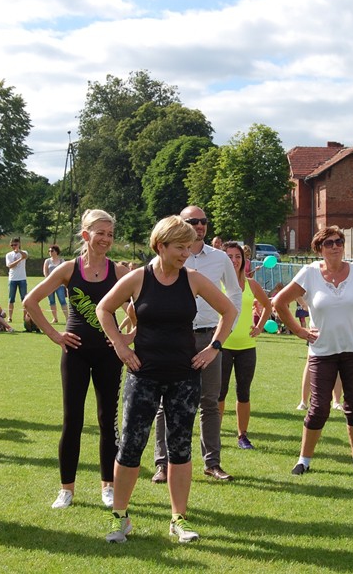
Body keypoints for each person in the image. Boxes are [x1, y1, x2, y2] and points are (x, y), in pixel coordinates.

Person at [96, 215, 236, 544]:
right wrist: (120, 345)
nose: (186, 253)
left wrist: (214, 348)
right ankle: (120, 520)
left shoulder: (194, 279)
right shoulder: (137, 279)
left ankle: (177, 520)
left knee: (180, 450)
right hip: (143, 377)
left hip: (183, 378)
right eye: (180, 247)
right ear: (160, 245)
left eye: (189, 247)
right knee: (130, 447)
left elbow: (229, 310)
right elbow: (104, 308)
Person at [24, 210, 129, 509]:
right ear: (86, 235)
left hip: (109, 354)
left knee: (107, 420)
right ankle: (66, 489)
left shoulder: (119, 272)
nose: (106, 239)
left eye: (110, 234)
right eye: (101, 233)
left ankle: (107, 486)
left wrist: (126, 336)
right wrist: (56, 336)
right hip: (75, 353)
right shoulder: (69, 269)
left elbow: (141, 306)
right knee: (73, 420)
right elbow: (30, 301)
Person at [274, 225, 353, 475]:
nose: (335, 246)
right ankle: (303, 460)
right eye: (329, 243)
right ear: (319, 248)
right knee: (319, 408)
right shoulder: (309, 273)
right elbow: (279, 302)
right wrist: (300, 331)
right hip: (322, 351)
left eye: (339, 241)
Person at [153, 206, 242, 484]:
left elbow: (234, 293)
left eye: (203, 221)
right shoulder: (168, 255)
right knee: (165, 403)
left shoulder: (219, 258)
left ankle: (212, 463)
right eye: (193, 221)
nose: (200, 226)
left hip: (207, 337)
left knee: (210, 403)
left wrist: (222, 336)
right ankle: (162, 465)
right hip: (174, 338)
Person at [218, 242, 273, 450]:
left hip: (247, 346)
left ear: (244, 260)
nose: (233, 260)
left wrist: (259, 328)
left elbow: (268, 305)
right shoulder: (216, 283)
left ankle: (242, 436)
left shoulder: (251, 284)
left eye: (237, 256)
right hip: (222, 345)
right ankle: (215, 434)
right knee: (219, 394)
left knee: (244, 393)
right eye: (229, 256)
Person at [41, 244, 68, 323]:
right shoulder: (47, 261)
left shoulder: (62, 261)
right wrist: (48, 281)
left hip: (60, 285)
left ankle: (67, 318)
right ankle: (55, 318)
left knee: (62, 301)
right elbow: (45, 272)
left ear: (56, 251)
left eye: (52, 251)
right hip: (50, 284)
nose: (50, 252)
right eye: (49, 251)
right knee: (51, 301)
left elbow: (65, 272)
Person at [5, 237, 29, 323]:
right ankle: (10, 317)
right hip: (12, 279)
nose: (13, 246)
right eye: (12, 245)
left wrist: (19, 252)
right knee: (11, 299)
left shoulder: (24, 252)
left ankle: (24, 317)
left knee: (24, 299)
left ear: (19, 244)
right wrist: (20, 259)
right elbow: (10, 265)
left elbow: (25, 256)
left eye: (15, 244)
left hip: (22, 278)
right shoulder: (9, 255)